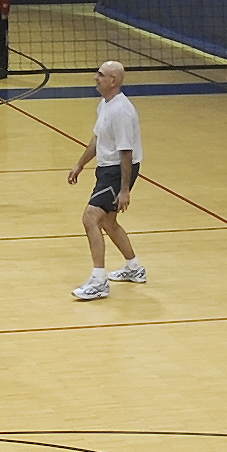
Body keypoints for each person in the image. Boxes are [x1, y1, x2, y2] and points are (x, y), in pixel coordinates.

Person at [65, 61, 146, 299]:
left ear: (113, 81)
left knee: (90, 218)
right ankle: (134, 268)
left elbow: (126, 153)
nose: (95, 78)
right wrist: (80, 163)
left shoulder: (122, 111)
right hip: (107, 169)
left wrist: (124, 190)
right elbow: (97, 139)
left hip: (117, 171)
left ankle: (99, 281)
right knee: (108, 222)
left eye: (100, 75)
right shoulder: (105, 105)